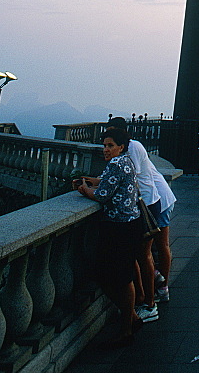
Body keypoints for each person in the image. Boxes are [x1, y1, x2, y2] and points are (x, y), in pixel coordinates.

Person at [76, 128, 142, 347]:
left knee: (116, 277)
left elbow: (102, 195)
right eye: (104, 145)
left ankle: (127, 327)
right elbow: (106, 182)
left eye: (110, 145)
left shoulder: (116, 164)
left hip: (118, 229)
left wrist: (84, 189)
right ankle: (130, 318)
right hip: (129, 225)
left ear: (120, 147)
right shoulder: (126, 162)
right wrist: (90, 181)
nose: (105, 149)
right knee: (120, 276)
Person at [108, 117, 176, 311]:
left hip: (158, 199)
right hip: (154, 198)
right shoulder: (128, 149)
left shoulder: (133, 148)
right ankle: (157, 286)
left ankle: (161, 288)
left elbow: (130, 176)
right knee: (149, 249)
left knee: (159, 246)